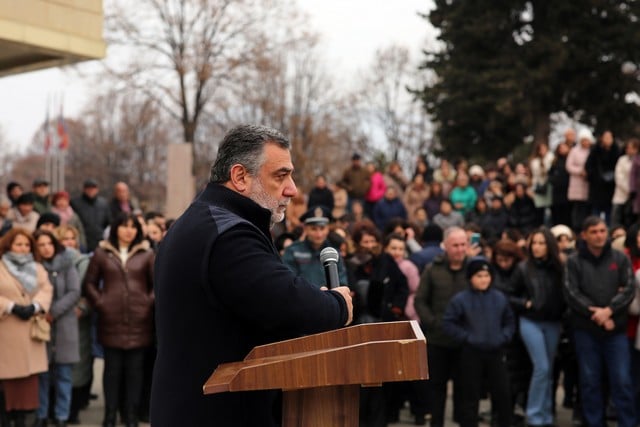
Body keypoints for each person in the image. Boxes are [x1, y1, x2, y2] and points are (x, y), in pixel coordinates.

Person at [150, 125, 353, 427]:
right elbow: (289, 304)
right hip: (217, 413)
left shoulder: (204, 221)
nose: (292, 189)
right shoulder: (229, 236)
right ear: (240, 177)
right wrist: (336, 304)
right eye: (280, 175)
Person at [83, 212, 155, 427]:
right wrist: (101, 303)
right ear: (115, 229)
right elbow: (89, 284)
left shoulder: (147, 254)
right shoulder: (102, 253)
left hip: (139, 323)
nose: (128, 230)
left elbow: (157, 285)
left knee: (135, 373)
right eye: (124, 226)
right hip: (110, 321)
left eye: (133, 226)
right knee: (112, 372)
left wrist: (146, 303)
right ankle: (110, 415)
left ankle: (131, 416)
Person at [564, 216, 637, 427]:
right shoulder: (574, 261)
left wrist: (610, 311)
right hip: (586, 331)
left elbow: (629, 288)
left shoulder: (620, 258)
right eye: (594, 232)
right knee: (590, 383)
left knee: (622, 382)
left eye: (602, 231)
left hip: (616, 332)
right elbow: (571, 293)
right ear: (584, 235)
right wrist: (597, 314)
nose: (599, 235)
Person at [442, 257, 515, 427]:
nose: (484, 279)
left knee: (503, 394)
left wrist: (503, 337)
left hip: (496, 351)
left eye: (486, 275)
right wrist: (467, 337)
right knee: (470, 395)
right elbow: (448, 323)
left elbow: (509, 321)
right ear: (470, 278)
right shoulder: (461, 299)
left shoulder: (499, 297)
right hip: (471, 352)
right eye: (479, 276)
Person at [508, 227, 565, 427]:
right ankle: (534, 416)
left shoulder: (559, 268)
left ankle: (546, 414)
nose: (538, 247)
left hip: (553, 322)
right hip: (530, 320)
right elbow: (510, 295)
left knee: (548, 371)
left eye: (542, 243)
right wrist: (525, 304)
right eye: (535, 243)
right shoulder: (523, 268)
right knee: (541, 367)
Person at [414, 226, 470, 427]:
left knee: (465, 390)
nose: (460, 249)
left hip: (465, 341)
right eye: (455, 245)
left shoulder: (474, 269)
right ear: (445, 246)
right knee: (436, 390)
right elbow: (420, 301)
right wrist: (433, 323)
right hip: (438, 340)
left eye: (464, 244)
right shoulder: (432, 269)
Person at [0, 228, 53, 427]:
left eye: (26, 245)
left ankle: (22, 419)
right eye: (18, 244)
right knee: (6, 384)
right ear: (8, 245)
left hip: (29, 333)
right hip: (6, 331)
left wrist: (36, 306)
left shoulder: (37, 268)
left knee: (26, 387)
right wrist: (11, 306)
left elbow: (46, 289)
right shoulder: (1, 266)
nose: (23, 249)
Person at [32, 230, 80, 427]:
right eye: (41, 244)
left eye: (49, 243)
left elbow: (74, 291)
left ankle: (61, 416)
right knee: (42, 375)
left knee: (63, 376)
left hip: (64, 325)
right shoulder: (33, 267)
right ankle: (41, 414)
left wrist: (53, 311)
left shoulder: (67, 263)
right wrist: (42, 311)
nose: (46, 248)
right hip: (40, 325)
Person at [54, 225, 93, 425]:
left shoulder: (84, 262)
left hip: (79, 319)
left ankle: (73, 409)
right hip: (57, 319)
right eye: (64, 239)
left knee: (79, 366)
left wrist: (82, 308)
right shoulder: (53, 262)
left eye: (71, 239)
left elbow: (89, 288)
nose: (68, 243)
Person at [282, 206, 348, 287]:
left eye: (322, 228)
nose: (319, 234)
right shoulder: (293, 250)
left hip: (329, 298)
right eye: (313, 229)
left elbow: (342, 281)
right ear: (305, 229)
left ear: (328, 229)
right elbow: (288, 281)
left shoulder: (333, 252)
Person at [70, 180, 111, 253]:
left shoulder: (103, 203)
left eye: (93, 188)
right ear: (84, 189)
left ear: (97, 190)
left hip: (99, 240)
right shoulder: (75, 203)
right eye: (89, 188)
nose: (91, 191)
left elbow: (108, 221)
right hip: (83, 240)